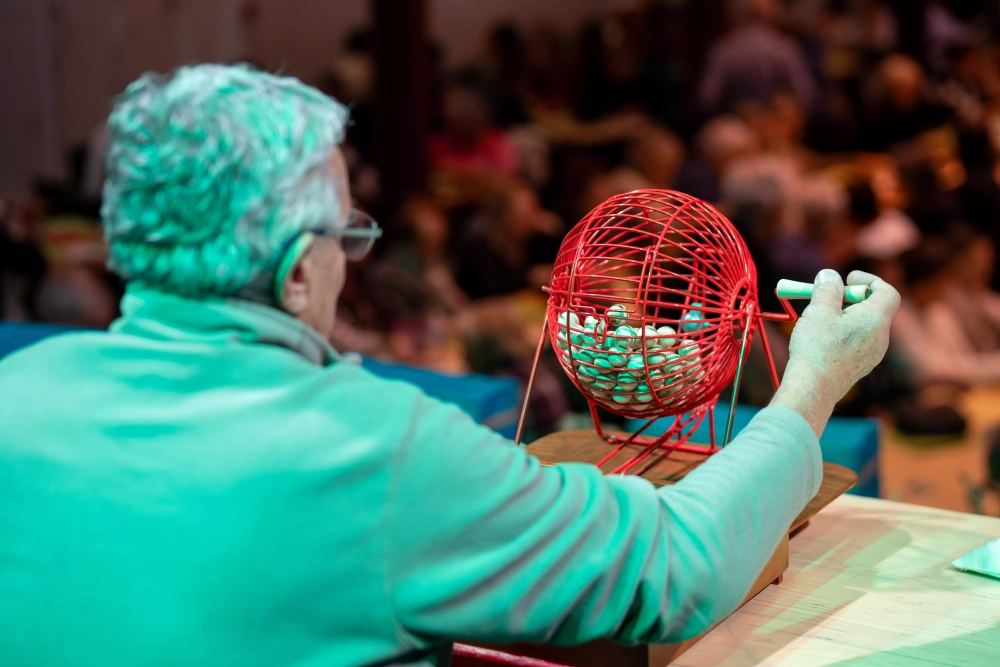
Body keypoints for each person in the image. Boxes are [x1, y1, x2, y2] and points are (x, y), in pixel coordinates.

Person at [0, 65, 901, 666]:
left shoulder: (16, 398)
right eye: (349, 235)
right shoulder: (372, 449)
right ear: (300, 268)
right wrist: (815, 377)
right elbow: (675, 569)